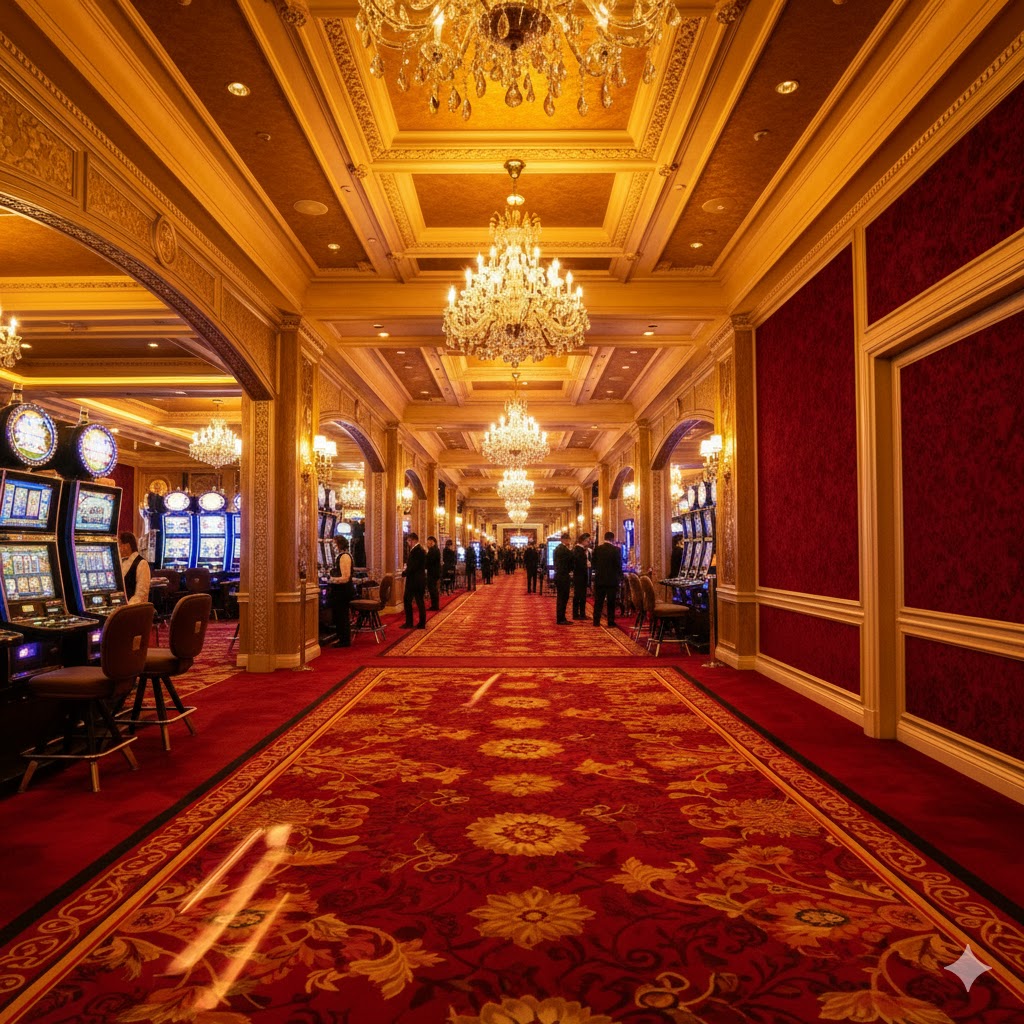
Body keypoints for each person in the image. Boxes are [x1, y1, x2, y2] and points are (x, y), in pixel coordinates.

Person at [591, 531, 622, 628]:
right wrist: (620, 577)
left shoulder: (597, 549)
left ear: (604, 538)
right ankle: (610, 621)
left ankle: (596, 621)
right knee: (611, 602)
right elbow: (618, 565)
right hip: (612, 580)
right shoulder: (616, 550)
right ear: (612, 539)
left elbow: (593, 564)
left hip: (600, 579)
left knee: (598, 601)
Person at [328, 535, 355, 646]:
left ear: (339, 544)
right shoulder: (343, 556)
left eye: (334, 544)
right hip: (341, 590)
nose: (333, 547)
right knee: (340, 615)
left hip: (343, 591)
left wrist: (331, 580)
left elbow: (345, 578)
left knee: (342, 615)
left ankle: (344, 640)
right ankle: (342, 638)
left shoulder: (344, 557)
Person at [118, 531, 151, 605]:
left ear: (126, 546)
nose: (118, 548)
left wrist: (126, 607)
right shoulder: (121, 562)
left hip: (132, 608)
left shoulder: (142, 563)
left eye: (119, 545)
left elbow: (141, 595)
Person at [402, 531, 427, 628]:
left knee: (407, 600)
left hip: (414, 581)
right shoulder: (420, 550)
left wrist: (405, 572)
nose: (408, 543)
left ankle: (410, 623)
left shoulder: (416, 551)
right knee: (420, 601)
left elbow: (413, 567)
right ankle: (421, 623)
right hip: (419, 580)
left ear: (413, 540)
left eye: (409, 541)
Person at [553, 531, 573, 624]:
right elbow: (570, 560)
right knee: (563, 597)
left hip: (559, 575)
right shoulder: (564, 550)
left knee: (561, 597)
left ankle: (561, 618)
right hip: (563, 575)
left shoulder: (557, 548)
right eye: (568, 540)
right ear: (565, 540)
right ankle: (561, 619)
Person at [572, 533, 591, 619]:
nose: (588, 542)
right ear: (583, 541)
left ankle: (579, 613)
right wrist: (586, 564)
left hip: (580, 576)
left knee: (581, 595)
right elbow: (578, 563)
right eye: (588, 541)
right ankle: (578, 614)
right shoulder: (578, 550)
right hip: (580, 576)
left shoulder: (581, 549)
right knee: (579, 595)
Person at [425, 535, 442, 611]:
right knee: (433, 589)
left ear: (432, 542)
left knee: (432, 589)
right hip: (434, 572)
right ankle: (435, 605)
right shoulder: (435, 549)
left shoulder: (433, 550)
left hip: (432, 572)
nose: (427, 544)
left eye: (428, 542)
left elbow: (429, 561)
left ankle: (435, 606)